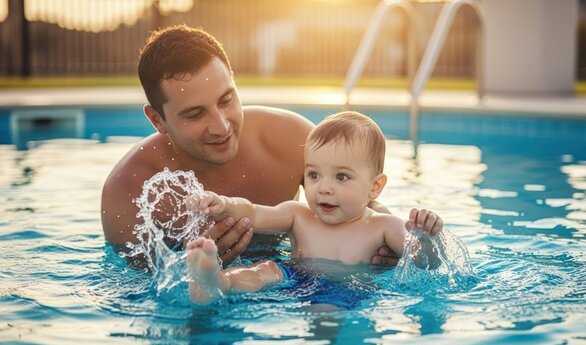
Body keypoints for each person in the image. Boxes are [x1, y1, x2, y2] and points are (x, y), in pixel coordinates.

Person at [100, 24, 403, 266]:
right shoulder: (129, 191)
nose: (221, 126)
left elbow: (363, 202)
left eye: (226, 100)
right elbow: (137, 290)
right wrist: (188, 265)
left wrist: (385, 249)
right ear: (158, 120)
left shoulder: (290, 138)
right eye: (195, 114)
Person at [186, 111, 444, 304]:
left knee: (326, 315)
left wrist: (428, 238)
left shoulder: (384, 226)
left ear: (374, 187)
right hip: (293, 276)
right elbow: (254, 212)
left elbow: (424, 264)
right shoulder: (298, 215)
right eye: (313, 175)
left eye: (341, 177)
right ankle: (217, 282)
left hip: (347, 289)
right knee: (264, 270)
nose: (323, 188)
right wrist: (224, 203)